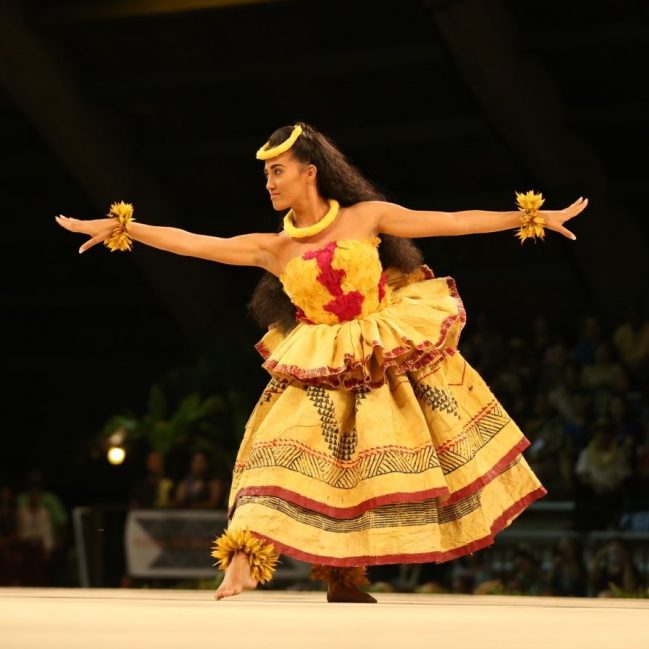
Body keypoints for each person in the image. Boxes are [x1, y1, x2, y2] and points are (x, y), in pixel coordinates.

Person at [55, 121, 587, 603]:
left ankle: (344, 575)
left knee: (371, 468)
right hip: (318, 360)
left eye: (277, 172)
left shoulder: (365, 217)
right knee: (268, 453)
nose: (268, 182)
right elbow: (196, 244)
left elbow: (451, 221)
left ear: (309, 173)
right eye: (265, 174)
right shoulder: (275, 247)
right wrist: (126, 228)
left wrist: (531, 216)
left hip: (382, 353)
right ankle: (242, 561)